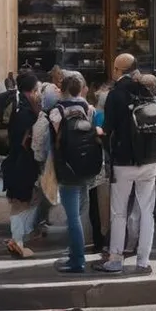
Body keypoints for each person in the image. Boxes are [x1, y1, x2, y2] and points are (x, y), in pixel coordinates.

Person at [96, 55, 156, 276]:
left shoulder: (115, 94)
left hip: (124, 161)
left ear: (117, 70)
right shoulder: (147, 90)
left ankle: (115, 259)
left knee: (119, 212)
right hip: (149, 160)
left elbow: (107, 129)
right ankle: (143, 261)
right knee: (146, 211)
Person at [43, 71, 102, 274]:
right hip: (87, 166)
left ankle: (77, 260)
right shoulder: (89, 109)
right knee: (81, 213)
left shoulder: (56, 111)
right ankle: (77, 253)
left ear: (63, 90)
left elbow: (50, 140)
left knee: (73, 216)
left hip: (67, 167)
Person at [2, 72, 41, 259]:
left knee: (20, 202)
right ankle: (17, 241)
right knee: (21, 203)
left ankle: (17, 240)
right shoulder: (27, 112)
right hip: (23, 162)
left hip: (16, 161)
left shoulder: (17, 107)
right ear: (33, 90)